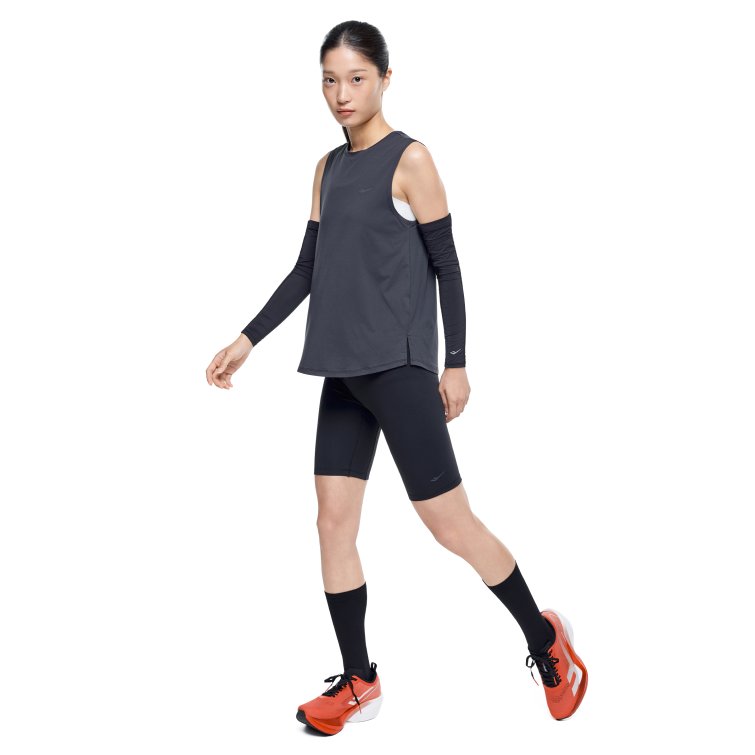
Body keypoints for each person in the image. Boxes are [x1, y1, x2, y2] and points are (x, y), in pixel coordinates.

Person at [205, 20, 588, 735]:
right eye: (329, 79)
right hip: (342, 372)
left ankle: (545, 640)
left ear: (384, 78)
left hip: (401, 370)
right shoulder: (327, 168)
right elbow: (308, 269)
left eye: (355, 78)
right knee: (331, 523)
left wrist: (456, 362)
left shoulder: (410, 159)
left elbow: (448, 265)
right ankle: (359, 680)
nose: (341, 93)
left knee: (450, 525)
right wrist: (246, 338)